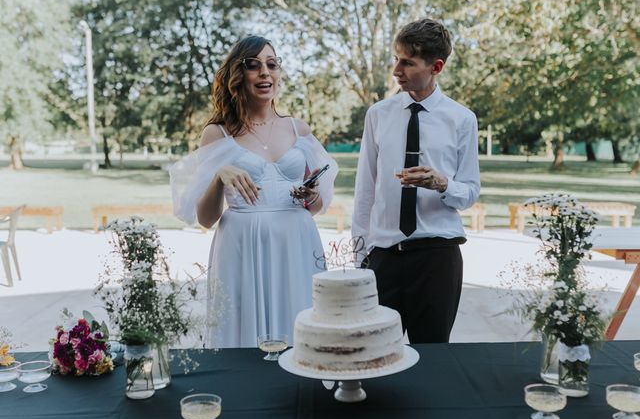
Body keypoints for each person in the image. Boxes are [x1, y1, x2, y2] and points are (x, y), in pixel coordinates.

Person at [169, 36, 338, 348]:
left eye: (271, 65)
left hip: (296, 243)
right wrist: (219, 177)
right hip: (242, 244)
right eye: (253, 65)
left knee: (298, 321)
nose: (265, 73)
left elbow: (313, 205)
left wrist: (312, 196)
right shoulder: (217, 133)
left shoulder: (297, 128)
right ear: (237, 75)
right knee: (243, 326)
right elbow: (207, 219)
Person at [352, 18, 480, 344]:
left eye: (407, 62)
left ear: (436, 66)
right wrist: (361, 255)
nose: (397, 69)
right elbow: (365, 188)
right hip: (382, 257)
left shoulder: (462, 119)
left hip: (437, 259)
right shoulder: (378, 114)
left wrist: (443, 184)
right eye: (396, 59)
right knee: (375, 354)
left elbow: (470, 192)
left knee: (432, 357)